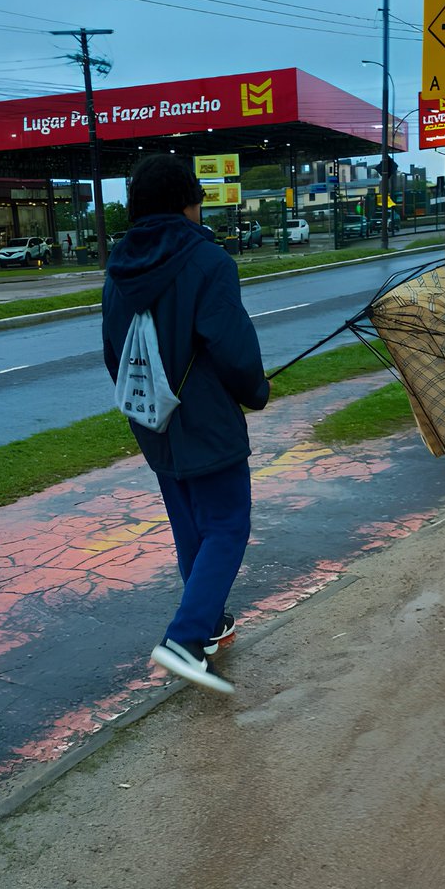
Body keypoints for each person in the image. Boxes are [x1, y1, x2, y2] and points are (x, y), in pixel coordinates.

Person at [102, 154, 270, 694]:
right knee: (227, 525)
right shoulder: (209, 261)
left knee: (191, 524)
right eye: (197, 202)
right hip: (206, 421)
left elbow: (113, 353)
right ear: (187, 203)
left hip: (153, 419)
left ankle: (211, 622)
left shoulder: (119, 267)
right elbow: (234, 351)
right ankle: (186, 638)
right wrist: (255, 392)